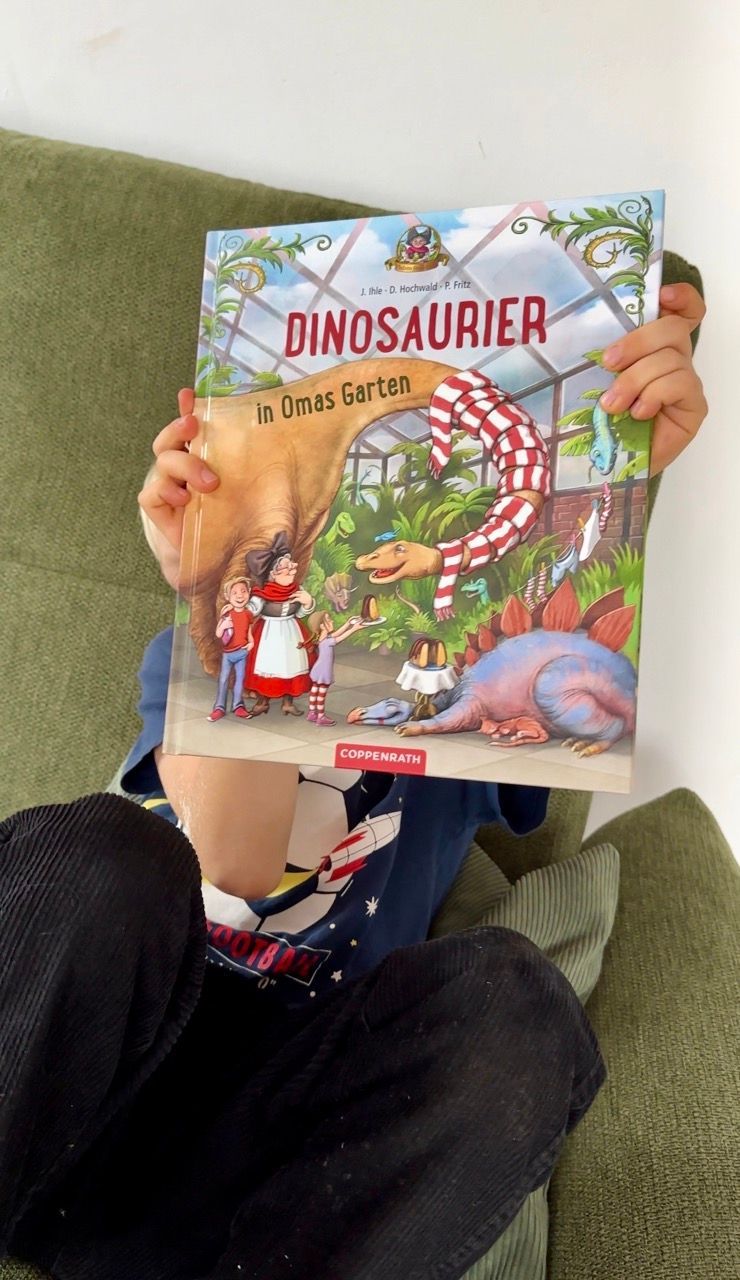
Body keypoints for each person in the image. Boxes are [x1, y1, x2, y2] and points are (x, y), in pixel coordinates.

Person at [0, 284, 708, 1279]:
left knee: (517, 1002)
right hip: (82, 1091)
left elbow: (529, 586)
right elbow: (235, 862)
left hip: (278, 1163)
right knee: (98, 851)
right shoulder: (197, 652)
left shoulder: (470, 694)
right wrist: (208, 591)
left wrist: (615, 462)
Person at [301, 608, 365, 725]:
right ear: (322, 626)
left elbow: (337, 633)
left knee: (315, 690)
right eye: (328, 620)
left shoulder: (322, 638)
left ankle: (312, 713)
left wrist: (348, 623)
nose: (332, 621)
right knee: (321, 693)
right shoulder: (327, 641)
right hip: (324, 671)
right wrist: (354, 629)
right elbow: (340, 637)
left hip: (318, 669)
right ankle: (320, 716)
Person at [209, 575, 255, 721]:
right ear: (228, 596)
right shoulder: (227, 614)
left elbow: (249, 631)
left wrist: (251, 643)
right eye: (235, 593)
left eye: (243, 591)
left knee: (240, 680)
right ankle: (219, 707)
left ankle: (238, 705)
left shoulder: (248, 614)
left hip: (242, 652)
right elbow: (218, 633)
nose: (240, 596)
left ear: (249, 593)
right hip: (228, 654)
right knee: (223, 679)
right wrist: (224, 625)